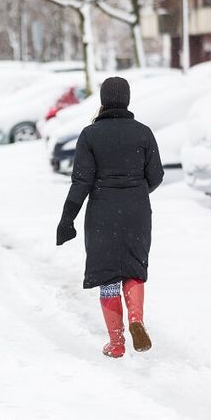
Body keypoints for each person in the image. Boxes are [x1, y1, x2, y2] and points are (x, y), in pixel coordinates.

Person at [56, 77, 164, 359]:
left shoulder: (90, 135)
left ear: (103, 100)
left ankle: (116, 343)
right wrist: (137, 192)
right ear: (127, 99)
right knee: (133, 268)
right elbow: (156, 176)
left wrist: (67, 219)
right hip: (137, 212)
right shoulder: (143, 133)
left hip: (103, 213)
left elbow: (81, 182)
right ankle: (136, 319)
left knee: (109, 277)